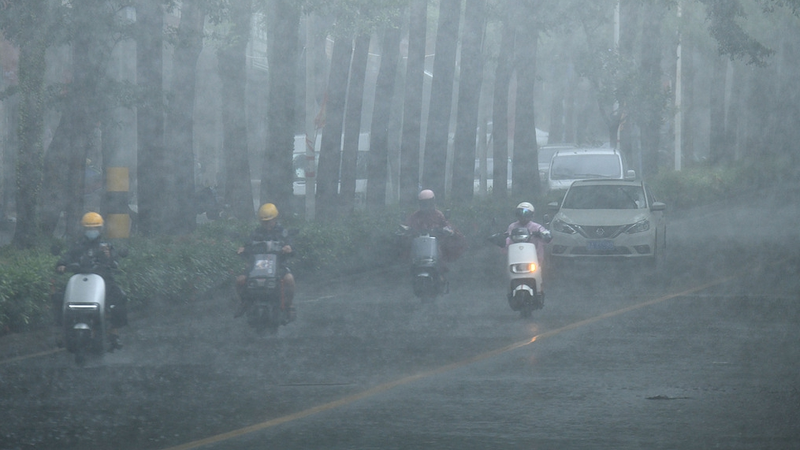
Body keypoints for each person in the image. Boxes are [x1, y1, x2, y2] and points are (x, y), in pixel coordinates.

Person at [55, 212, 127, 351]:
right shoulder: (77, 245)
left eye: (95, 228)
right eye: (89, 228)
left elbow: (115, 262)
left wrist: (109, 257)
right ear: (84, 229)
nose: (92, 231)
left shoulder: (107, 246)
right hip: (79, 280)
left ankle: (114, 333)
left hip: (104, 281)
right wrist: (61, 265)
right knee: (58, 297)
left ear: (100, 229)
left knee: (119, 297)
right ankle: (60, 331)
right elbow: (67, 257)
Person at [234, 203, 296, 323]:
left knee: (289, 279)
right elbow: (247, 245)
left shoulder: (283, 233)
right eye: (264, 222)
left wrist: (289, 248)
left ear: (275, 219)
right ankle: (244, 302)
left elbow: (291, 246)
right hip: (256, 266)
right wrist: (242, 249)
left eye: (269, 221)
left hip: (278, 266)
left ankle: (289, 305)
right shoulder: (256, 233)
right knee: (240, 280)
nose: (267, 224)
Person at [403, 190, 466, 289]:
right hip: (419, 247)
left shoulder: (438, 215)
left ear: (433, 202)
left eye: (428, 202)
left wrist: (448, 231)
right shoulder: (415, 216)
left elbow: (447, 225)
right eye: (424, 203)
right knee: (406, 255)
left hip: (435, 246)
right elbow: (407, 226)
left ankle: (441, 275)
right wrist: (405, 231)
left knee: (441, 254)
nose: (426, 205)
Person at [506, 202, 552, 267]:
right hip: (516, 256)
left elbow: (546, 234)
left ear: (531, 216)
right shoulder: (512, 227)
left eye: (526, 214)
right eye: (520, 214)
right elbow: (507, 239)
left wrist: (544, 235)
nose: (523, 217)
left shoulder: (537, 227)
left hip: (535, 257)